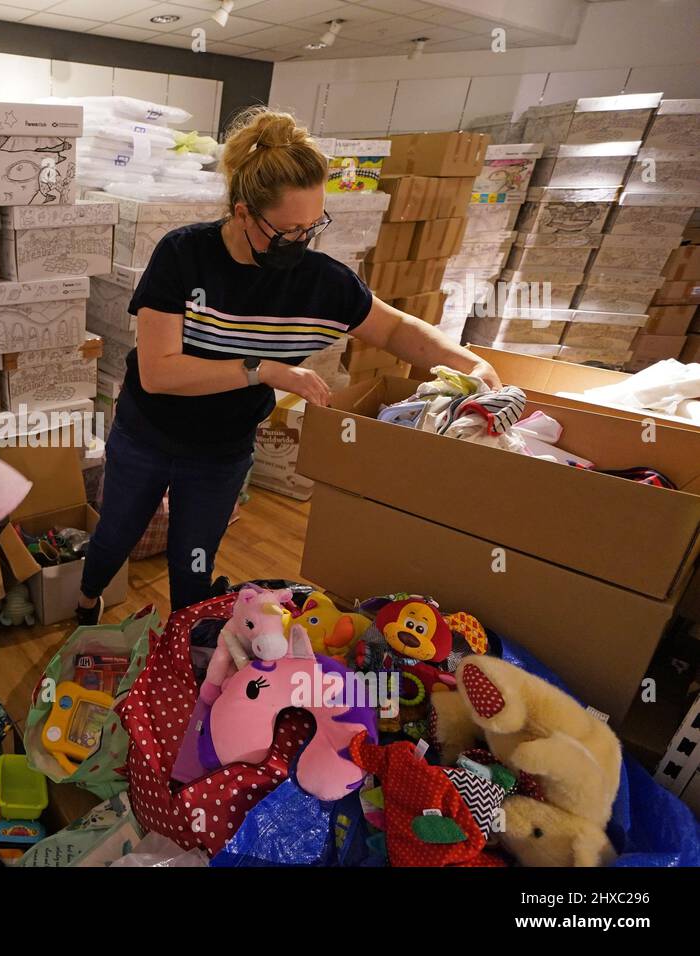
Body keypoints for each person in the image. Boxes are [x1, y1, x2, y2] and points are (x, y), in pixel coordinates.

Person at [75, 107, 500, 625]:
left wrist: (469, 362)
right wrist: (263, 369)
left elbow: (393, 329)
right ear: (242, 214)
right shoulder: (184, 255)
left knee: (194, 567)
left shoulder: (320, 280)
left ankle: (185, 657)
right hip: (148, 433)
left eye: (312, 227)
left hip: (220, 449)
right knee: (114, 537)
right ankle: (84, 606)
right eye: (287, 231)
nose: (300, 243)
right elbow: (159, 373)